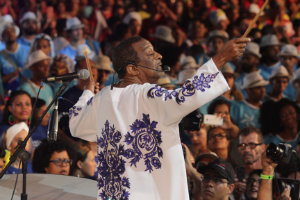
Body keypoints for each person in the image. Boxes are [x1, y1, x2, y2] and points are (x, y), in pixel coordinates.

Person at [69, 36, 250, 200]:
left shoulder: (101, 98)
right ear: (132, 69)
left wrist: (87, 92)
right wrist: (221, 59)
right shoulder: (147, 94)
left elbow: (76, 125)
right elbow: (185, 97)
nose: (159, 56)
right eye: (150, 53)